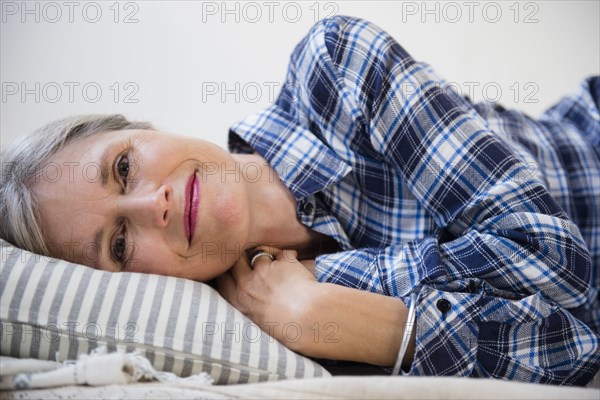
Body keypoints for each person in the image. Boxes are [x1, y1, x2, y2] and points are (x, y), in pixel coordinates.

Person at [1, 16, 599, 386]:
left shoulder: (336, 69)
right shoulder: (259, 331)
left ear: (144, 126)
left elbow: (558, 266)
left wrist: (325, 289)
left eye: (123, 167)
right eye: (120, 244)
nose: (149, 205)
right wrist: (343, 324)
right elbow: (577, 349)